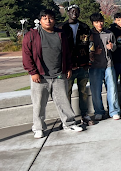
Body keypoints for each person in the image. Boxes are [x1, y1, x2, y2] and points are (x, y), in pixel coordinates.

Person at [23, 9, 83, 138]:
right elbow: (26, 55)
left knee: (63, 101)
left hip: (59, 74)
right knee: (39, 103)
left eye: (50, 18)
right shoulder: (32, 35)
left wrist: (68, 68)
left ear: (54, 20)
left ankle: (69, 123)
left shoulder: (60, 34)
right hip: (40, 76)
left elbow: (66, 53)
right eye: (45, 18)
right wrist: (33, 72)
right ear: (40, 20)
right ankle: (38, 128)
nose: (48, 21)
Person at [58, 4, 94, 126]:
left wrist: (89, 60)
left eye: (77, 11)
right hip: (68, 67)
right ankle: (68, 117)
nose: (75, 13)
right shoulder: (61, 27)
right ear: (68, 13)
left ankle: (85, 114)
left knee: (83, 92)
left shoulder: (84, 27)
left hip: (83, 65)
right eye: (72, 11)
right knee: (66, 92)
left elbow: (90, 43)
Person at [88, 13, 120, 121]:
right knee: (96, 91)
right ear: (93, 23)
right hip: (94, 66)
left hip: (108, 65)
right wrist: (93, 52)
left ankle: (114, 111)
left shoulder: (109, 33)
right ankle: (99, 111)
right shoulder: (90, 34)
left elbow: (115, 47)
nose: (100, 24)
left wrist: (112, 46)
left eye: (101, 21)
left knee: (112, 89)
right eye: (97, 22)